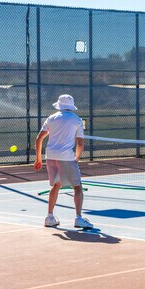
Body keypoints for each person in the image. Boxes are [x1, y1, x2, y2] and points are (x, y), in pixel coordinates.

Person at [34, 94, 94, 229]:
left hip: (51, 156)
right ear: (71, 106)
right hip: (66, 157)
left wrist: (38, 158)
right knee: (77, 186)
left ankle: (49, 217)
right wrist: (76, 159)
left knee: (56, 185)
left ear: (59, 105)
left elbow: (39, 139)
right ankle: (78, 218)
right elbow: (80, 144)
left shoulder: (51, 118)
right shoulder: (77, 120)